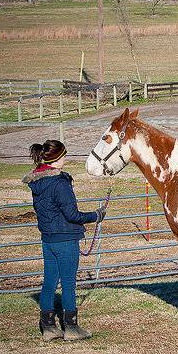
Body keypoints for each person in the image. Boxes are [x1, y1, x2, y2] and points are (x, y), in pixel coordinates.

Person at [22, 140, 106, 342]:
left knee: (49, 282)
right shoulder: (60, 183)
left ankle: (49, 327)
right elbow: (72, 215)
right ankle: (71, 327)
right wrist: (96, 215)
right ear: (57, 158)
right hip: (66, 240)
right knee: (68, 284)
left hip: (48, 239)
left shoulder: (37, 182)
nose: (66, 159)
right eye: (64, 156)